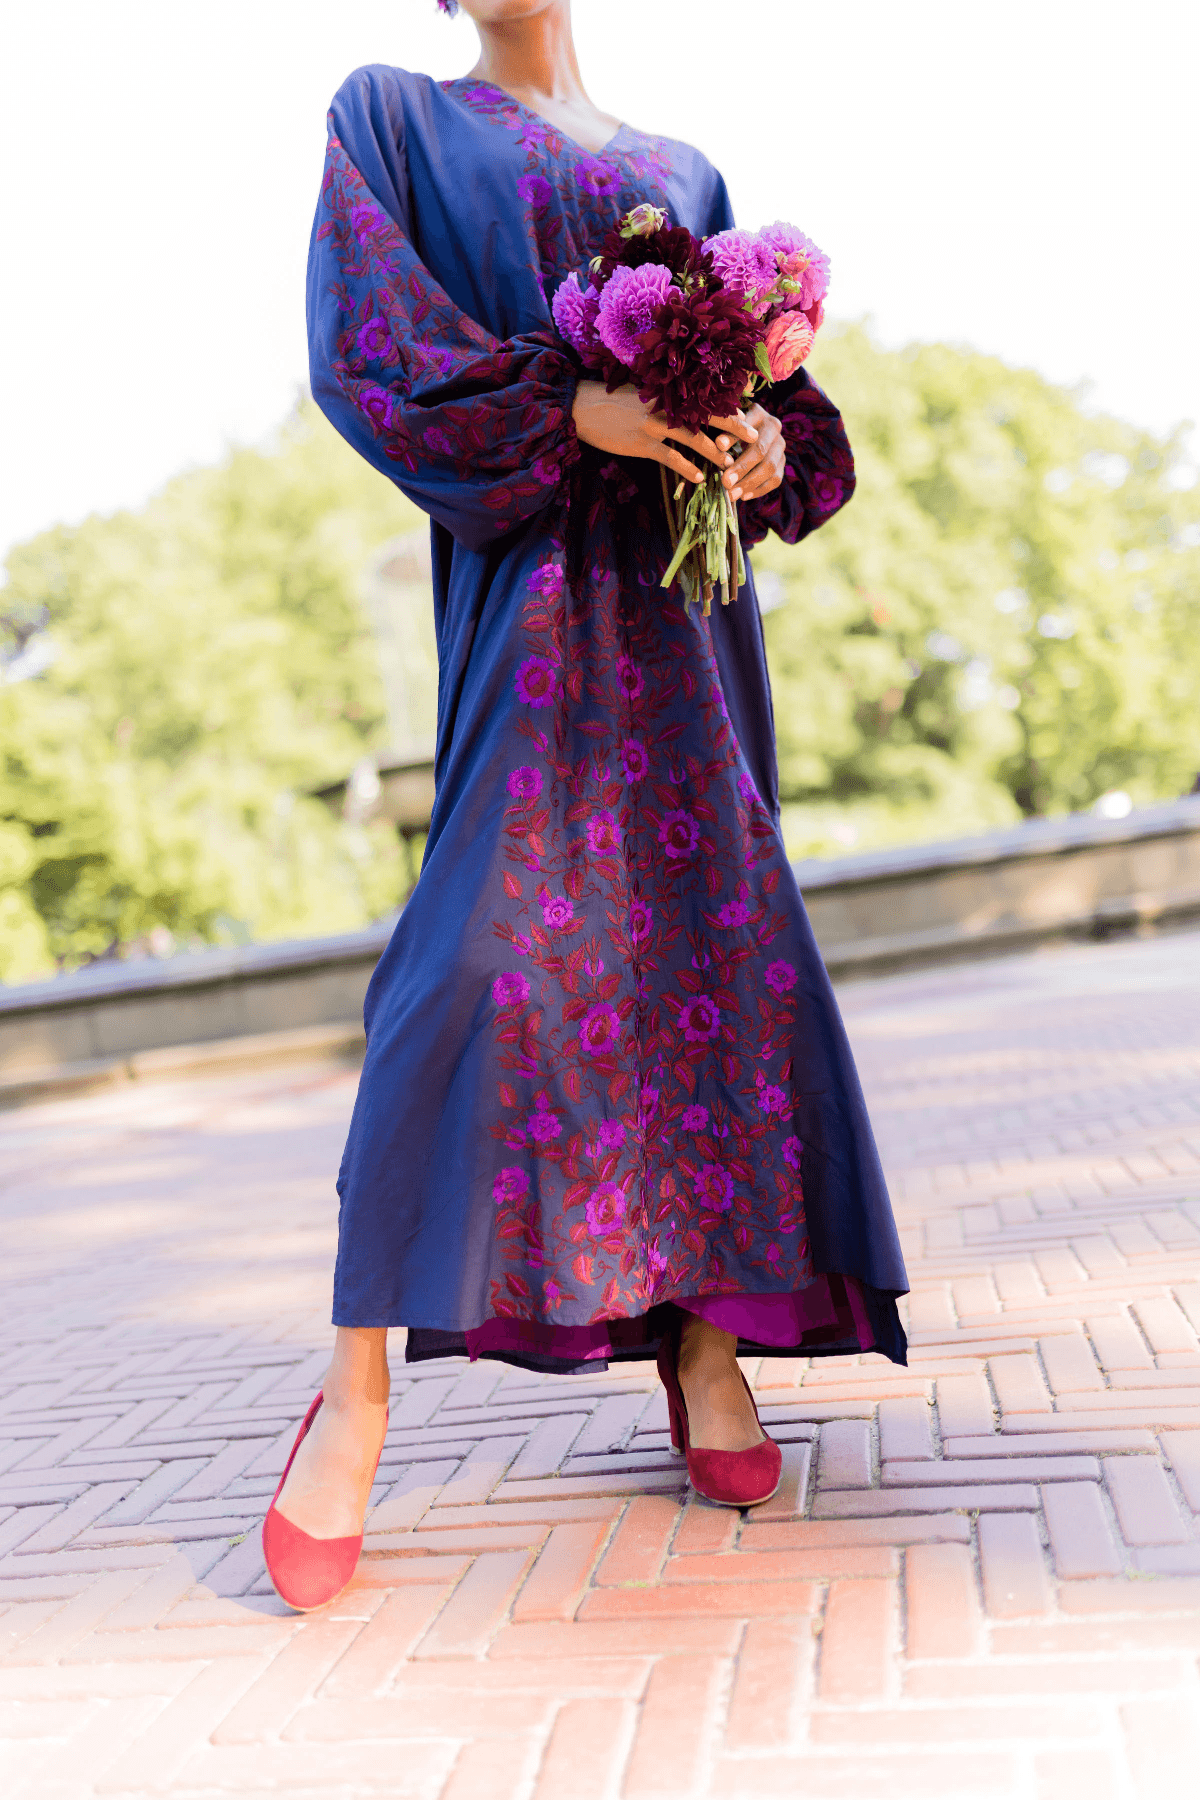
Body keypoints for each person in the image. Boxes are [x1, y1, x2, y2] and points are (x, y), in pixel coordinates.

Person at [262, 0, 908, 1611]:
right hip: (533, 614)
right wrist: (573, 411)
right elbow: (370, 351)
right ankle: (354, 1389)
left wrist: (759, 452)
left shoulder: (686, 171)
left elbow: (781, 402)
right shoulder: (395, 118)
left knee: (707, 955)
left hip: (688, 628)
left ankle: (704, 1346)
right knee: (467, 970)